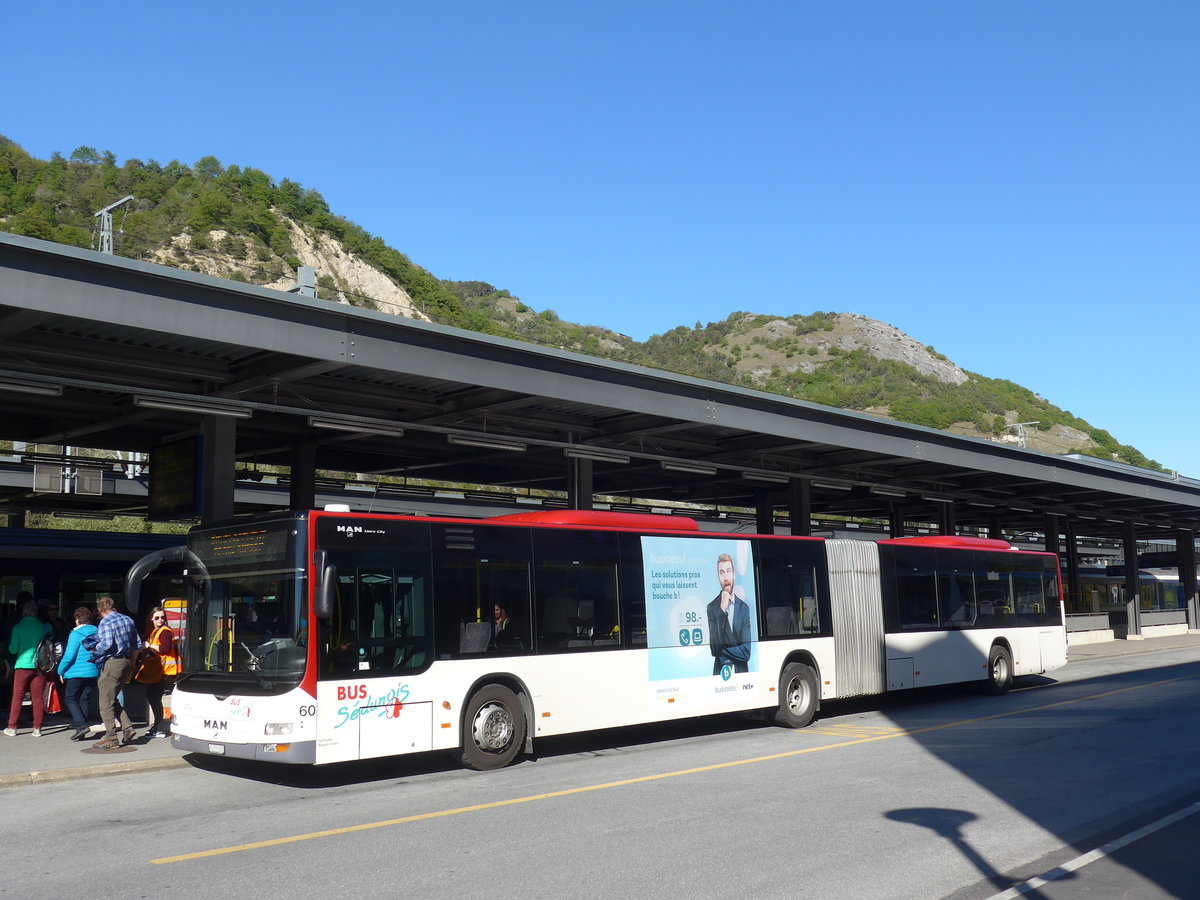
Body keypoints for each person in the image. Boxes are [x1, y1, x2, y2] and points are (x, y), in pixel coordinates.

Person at [89, 596, 139, 750]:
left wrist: (94, 653)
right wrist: (132, 663)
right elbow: (137, 644)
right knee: (112, 699)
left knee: (105, 702)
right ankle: (127, 728)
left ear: (100, 610)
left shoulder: (106, 622)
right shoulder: (128, 620)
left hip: (113, 663)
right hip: (126, 662)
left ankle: (111, 738)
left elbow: (106, 644)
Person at [5, 598, 51, 736]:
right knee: (37, 698)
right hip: (39, 666)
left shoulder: (18, 627)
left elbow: (13, 649)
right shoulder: (44, 627)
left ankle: (12, 727)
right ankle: (37, 728)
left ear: (24, 612)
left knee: (18, 696)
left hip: (22, 666)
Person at [58, 606, 100, 740]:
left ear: (77, 619)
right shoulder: (97, 631)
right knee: (84, 698)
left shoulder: (75, 634)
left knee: (70, 698)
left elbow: (69, 656)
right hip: (92, 670)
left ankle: (81, 725)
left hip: (76, 672)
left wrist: (60, 670)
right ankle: (81, 727)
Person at [706, 552, 752, 676]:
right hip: (720, 673)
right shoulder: (712, 608)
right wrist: (722, 610)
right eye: (721, 573)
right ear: (718, 577)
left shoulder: (744, 608)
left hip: (741, 673)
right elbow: (714, 649)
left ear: (734, 575)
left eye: (728, 571)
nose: (725, 577)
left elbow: (746, 652)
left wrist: (722, 650)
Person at [141, 606, 176, 738]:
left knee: (154, 697)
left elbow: (165, 649)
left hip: (164, 671)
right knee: (152, 696)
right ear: (151, 619)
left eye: (162, 617)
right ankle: (157, 726)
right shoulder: (155, 632)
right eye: (157, 617)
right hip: (158, 670)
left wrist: (149, 646)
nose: (160, 620)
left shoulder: (165, 631)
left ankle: (159, 727)